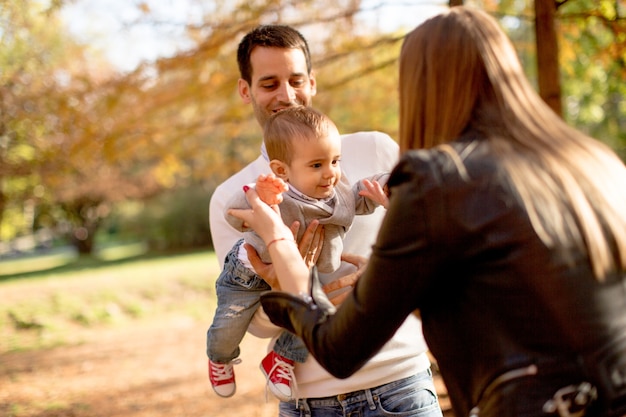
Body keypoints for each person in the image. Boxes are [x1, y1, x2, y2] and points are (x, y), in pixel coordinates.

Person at [230, 7, 626, 417]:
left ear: (421, 85)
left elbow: (340, 350)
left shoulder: (435, 177)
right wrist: (399, 282)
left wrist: (280, 257)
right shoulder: (592, 161)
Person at [208, 24, 443, 417]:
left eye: (296, 80)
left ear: (312, 83)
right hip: (306, 402)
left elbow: (440, 249)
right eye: (269, 83)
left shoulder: (375, 151)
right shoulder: (233, 198)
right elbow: (254, 322)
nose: (286, 95)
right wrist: (283, 284)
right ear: (245, 90)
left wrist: (385, 277)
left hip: (401, 385)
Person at [206, 106, 389, 401]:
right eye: (316, 165)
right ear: (281, 170)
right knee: (229, 325)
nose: (330, 172)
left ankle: (280, 360)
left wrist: (383, 186)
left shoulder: (338, 193)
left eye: (335, 161)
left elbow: (361, 197)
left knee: (314, 315)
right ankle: (219, 357)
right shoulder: (275, 190)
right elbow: (234, 213)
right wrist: (261, 198)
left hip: (299, 273)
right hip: (246, 275)